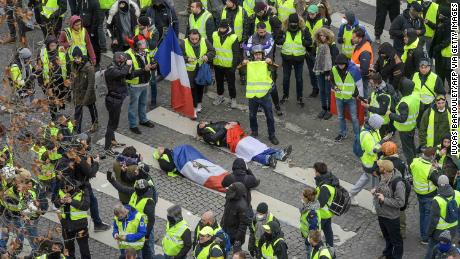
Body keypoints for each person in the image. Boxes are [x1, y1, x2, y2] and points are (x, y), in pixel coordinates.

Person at [197, 121, 292, 166]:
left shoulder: (214, 124)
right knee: (250, 151)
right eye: (200, 123)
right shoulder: (206, 133)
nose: (202, 122)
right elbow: (213, 139)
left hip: (240, 135)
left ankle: (278, 153)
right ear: (200, 128)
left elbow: (230, 124)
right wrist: (225, 129)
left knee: (258, 145)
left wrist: (236, 122)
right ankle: (267, 160)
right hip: (233, 142)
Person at [107, 176, 157, 259]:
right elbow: (122, 189)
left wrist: (147, 234)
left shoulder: (149, 202)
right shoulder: (135, 192)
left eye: (137, 189)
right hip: (132, 224)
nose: (135, 190)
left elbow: (151, 220)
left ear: (141, 191)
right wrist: (112, 181)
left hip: (144, 227)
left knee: (148, 248)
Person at [240, 45, 279, 144]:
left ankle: (272, 135)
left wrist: (271, 62)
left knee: (269, 116)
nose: (258, 56)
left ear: (263, 55)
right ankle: (254, 132)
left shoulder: (266, 63)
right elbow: (239, 68)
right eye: (256, 54)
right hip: (253, 96)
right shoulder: (249, 64)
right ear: (253, 55)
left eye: (260, 54)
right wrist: (243, 63)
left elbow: (275, 67)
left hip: (265, 95)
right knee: (252, 116)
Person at [349, 114, 388, 206]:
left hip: (369, 163)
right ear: (375, 125)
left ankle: (351, 194)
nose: (381, 127)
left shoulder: (373, 129)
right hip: (371, 164)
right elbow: (372, 151)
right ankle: (376, 206)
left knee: (365, 178)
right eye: (380, 125)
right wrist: (383, 141)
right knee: (376, 186)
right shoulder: (366, 135)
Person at [373, 159, 406, 259]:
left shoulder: (398, 184)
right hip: (381, 214)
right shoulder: (384, 176)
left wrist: (384, 199)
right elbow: (383, 188)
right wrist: (376, 190)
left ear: (385, 170)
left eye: (380, 167)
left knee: (396, 241)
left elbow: (400, 202)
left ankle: (396, 257)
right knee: (387, 237)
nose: (379, 169)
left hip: (391, 217)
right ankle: (388, 254)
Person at [125, 35, 156, 134]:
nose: (144, 45)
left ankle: (143, 120)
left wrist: (153, 66)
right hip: (135, 85)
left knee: (143, 103)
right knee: (133, 105)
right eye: (141, 43)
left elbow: (150, 63)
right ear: (136, 45)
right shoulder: (128, 55)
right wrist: (144, 69)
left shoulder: (146, 52)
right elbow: (129, 74)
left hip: (145, 83)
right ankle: (133, 125)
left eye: (144, 42)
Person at [278, 13, 311, 107]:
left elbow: (310, 42)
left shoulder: (304, 30)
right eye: (291, 23)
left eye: (295, 23)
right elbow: (277, 40)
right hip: (286, 58)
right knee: (285, 78)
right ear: (288, 23)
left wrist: (304, 42)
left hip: (299, 59)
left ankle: (299, 97)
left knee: (299, 79)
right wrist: (282, 40)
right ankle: (285, 95)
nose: (293, 25)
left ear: (298, 22)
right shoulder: (283, 30)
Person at [410, 147, 441, 244]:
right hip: (429, 195)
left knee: (423, 214)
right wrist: (438, 168)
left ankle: (423, 234)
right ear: (432, 157)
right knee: (427, 216)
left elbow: (411, 168)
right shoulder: (430, 170)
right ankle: (425, 237)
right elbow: (439, 182)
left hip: (419, 193)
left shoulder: (415, 161)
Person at [53, 179, 91, 258]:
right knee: (69, 249)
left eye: (66, 189)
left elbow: (86, 206)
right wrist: (61, 201)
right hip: (66, 225)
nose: (64, 191)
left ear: (71, 186)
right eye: (63, 189)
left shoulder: (83, 190)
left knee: (84, 249)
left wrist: (71, 201)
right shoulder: (61, 190)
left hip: (80, 225)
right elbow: (56, 204)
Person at [104, 52, 132, 155]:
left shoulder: (117, 67)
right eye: (122, 61)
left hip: (117, 99)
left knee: (113, 122)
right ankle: (107, 147)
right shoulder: (111, 69)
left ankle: (113, 141)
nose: (123, 63)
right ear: (118, 60)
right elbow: (121, 74)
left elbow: (126, 75)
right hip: (113, 100)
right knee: (112, 125)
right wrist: (128, 66)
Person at [181, 29, 215, 113]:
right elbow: (179, 55)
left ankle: (199, 103)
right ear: (189, 36)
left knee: (200, 87)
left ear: (199, 36)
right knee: (192, 89)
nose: (194, 41)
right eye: (192, 39)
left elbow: (213, 51)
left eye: (196, 39)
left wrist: (207, 56)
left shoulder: (204, 41)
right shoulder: (183, 43)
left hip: (201, 69)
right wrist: (187, 59)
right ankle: (194, 106)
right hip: (190, 71)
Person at [330, 54, 363, 142]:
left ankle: (357, 136)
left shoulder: (353, 70)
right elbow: (332, 81)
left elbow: (358, 83)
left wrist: (356, 94)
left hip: (350, 98)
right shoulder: (333, 69)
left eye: (342, 64)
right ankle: (342, 134)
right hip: (339, 97)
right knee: (340, 117)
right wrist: (334, 87)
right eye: (339, 65)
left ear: (346, 63)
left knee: (354, 118)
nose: (340, 66)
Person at [426, 175, 460, 258]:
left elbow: (433, 220)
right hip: (453, 228)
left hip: (439, 231)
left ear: (438, 184)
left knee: (432, 248)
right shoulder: (457, 194)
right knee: (448, 248)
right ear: (448, 183)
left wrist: (429, 233)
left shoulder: (437, 199)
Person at [37, 35, 69, 120]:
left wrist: (68, 78)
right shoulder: (42, 53)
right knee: (52, 100)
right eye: (52, 46)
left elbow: (68, 64)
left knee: (61, 97)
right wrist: (41, 84)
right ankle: (54, 116)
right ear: (47, 45)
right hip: (49, 82)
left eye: (55, 45)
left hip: (61, 80)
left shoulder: (61, 51)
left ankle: (62, 113)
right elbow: (38, 70)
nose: (54, 47)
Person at [381, 141, 409, 238]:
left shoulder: (384, 163)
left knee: (388, 210)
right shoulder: (401, 163)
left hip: (389, 188)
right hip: (400, 187)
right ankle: (402, 231)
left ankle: (387, 230)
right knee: (401, 209)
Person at [389, 78, 420, 167]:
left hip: (404, 129)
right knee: (412, 145)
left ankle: (411, 167)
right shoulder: (415, 96)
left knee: (407, 150)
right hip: (412, 126)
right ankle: (415, 160)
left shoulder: (404, 103)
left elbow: (402, 119)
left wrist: (390, 114)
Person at [70, 46, 99, 134]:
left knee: (92, 109)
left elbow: (91, 84)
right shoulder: (73, 66)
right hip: (78, 93)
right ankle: (77, 130)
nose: (76, 60)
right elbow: (72, 79)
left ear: (81, 56)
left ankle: (95, 123)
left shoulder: (89, 67)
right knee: (78, 112)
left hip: (88, 93)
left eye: (78, 57)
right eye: (75, 58)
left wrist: (86, 98)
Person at [211, 19, 239, 108]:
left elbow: (236, 53)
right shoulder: (214, 35)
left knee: (231, 84)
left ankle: (233, 99)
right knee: (219, 82)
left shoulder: (233, 37)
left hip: (229, 66)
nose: (222, 30)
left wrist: (234, 67)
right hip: (217, 64)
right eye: (220, 28)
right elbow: (212, 49)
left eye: (223, 28)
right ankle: (220, 96)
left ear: (227, 27)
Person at [313, 27, 338, 120]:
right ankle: (324, 108)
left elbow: (334, 62)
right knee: (322, 91)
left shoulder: (333, 47)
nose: (322, 37)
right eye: (320, 35)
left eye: (324, 36)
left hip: (328, 73)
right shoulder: (319, 45)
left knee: (328, 92)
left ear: (328, 36)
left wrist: (330, 74)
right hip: (320, 71)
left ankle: (329, 109)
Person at [313, 162, 339, 248]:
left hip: (322, 214)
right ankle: (331, 251)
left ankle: (319, 251)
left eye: (315, 171)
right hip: (328, 213)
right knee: (328, 232)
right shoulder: (329, 178)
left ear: (318, 172)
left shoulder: (324, 187)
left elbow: (320, 203)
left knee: (316, 234)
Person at [362, 73, 395, 137]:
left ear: (376, 83)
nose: (370, 85)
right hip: (375, 121)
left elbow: (382, 111)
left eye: (371, 83)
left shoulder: (384, 95)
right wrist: (368, 101)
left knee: (379, 141)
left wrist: (369, 107)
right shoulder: (378, 89)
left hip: (381, 124)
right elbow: (375, 100)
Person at [413, 59, 445, 124]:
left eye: (426, 67)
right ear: (419, 68)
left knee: (427, 122)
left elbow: (441, 93)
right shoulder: (415, 75)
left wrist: (438, 104)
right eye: (421, 67)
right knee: (418, 121)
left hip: (429, 106)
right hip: (416, 104)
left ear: (430, 67)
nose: (423, 69)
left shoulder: (435, 78)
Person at [303, 4, 325, 98]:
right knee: (312, 72)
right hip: (308, 49)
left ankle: (323, 90)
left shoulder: (322, 21)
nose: (310, 15)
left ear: (317, 13)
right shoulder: (305, 20)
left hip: (318, 50)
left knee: (319, 72)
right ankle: (315, 89)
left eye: (312, 14)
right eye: (309, 14)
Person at [221, 182, 250, 252]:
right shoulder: (230, 198)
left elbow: (243, 225)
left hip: (233, 235)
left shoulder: (242, 206)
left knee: (229, 251)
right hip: (225, 229)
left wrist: (237, 238)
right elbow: (225, 213)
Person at [429, 6, 451, 91]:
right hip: (439, 53)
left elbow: (447, 41)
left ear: (445, 15)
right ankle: (440, 88)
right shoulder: (442, 22)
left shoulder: (450, 26)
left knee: (448, 73)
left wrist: (437, 48)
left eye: (440, 14)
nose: (439, 15)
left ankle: (452, 89)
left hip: (446, 54)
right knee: (439, 72)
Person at [77, 0, 103, 67]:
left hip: (91, 28)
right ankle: (87, 59)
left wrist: (92, 30)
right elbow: (78, 12)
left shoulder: (95, 2)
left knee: (94, 45)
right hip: (82, 27)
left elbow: (97, 17)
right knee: (84, 44)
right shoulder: (81, 2)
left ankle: (96, 62)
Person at [351, 27, 374, 99]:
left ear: (360, 38)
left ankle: (364, 109)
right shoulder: (362, 44)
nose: (352, 38)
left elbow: (364, 70)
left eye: (354, 37)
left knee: (363, 95)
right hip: (358, 75)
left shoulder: (364, 52)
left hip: (361, 78)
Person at [300, 187, 321, 258]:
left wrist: (308, 240)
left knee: (310, 253)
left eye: (303, 195)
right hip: (307, 235)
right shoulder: (310, 206)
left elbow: (313, 229)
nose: (301, 197)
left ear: (307, 198)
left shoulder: (312, 212)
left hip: (310, 238)